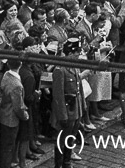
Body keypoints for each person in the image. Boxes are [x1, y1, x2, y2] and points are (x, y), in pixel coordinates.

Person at [51, 37, 84, 168]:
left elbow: (78, 88)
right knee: (62, 140)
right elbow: (58, 95)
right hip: (66, 110)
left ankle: (67, 162)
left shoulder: (74, 67)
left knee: (71, 137)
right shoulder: (60, 70)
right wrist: (62, 115)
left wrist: (83, 107)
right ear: (70, 53)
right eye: (77, 53)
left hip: (76, 109)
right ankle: (59, 165)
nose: (78, 55)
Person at [0, 57, 28, 168]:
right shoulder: (17, 85)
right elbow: (18, 107)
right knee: (8, 147)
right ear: (20, 64)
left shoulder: (6, 75)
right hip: (10, 119)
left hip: (3, 114)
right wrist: (25, 115)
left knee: (3, 146)